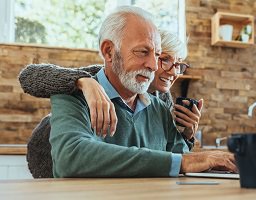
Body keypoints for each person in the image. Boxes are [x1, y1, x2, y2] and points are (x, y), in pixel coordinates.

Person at [21, 6, 237, 178]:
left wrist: (200, 150)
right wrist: (182, 161)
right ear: (108, 51)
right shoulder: (72, 91)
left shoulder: (161, 106)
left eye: (157, 54)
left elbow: (182, 156)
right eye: (143, 52)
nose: (154, 65)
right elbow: (70, 158)